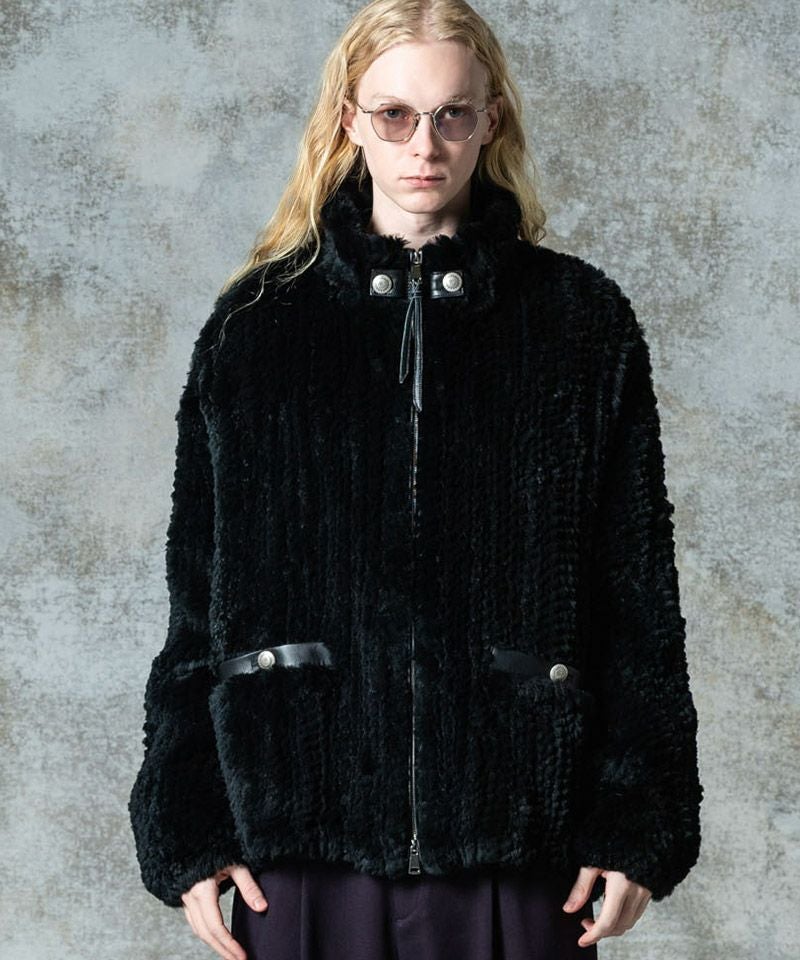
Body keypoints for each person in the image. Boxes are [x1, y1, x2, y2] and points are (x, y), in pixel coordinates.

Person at [128, 0, 704, 958]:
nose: (423, 145)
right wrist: (187, 822)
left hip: (524, 837)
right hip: (299, 837)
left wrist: (637, 819)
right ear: (350, 121)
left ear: (491, 121)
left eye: (451, 114)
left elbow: (638, 593)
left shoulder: (579, 323)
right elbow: (198, 602)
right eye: (394, 114)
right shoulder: (255, 330)